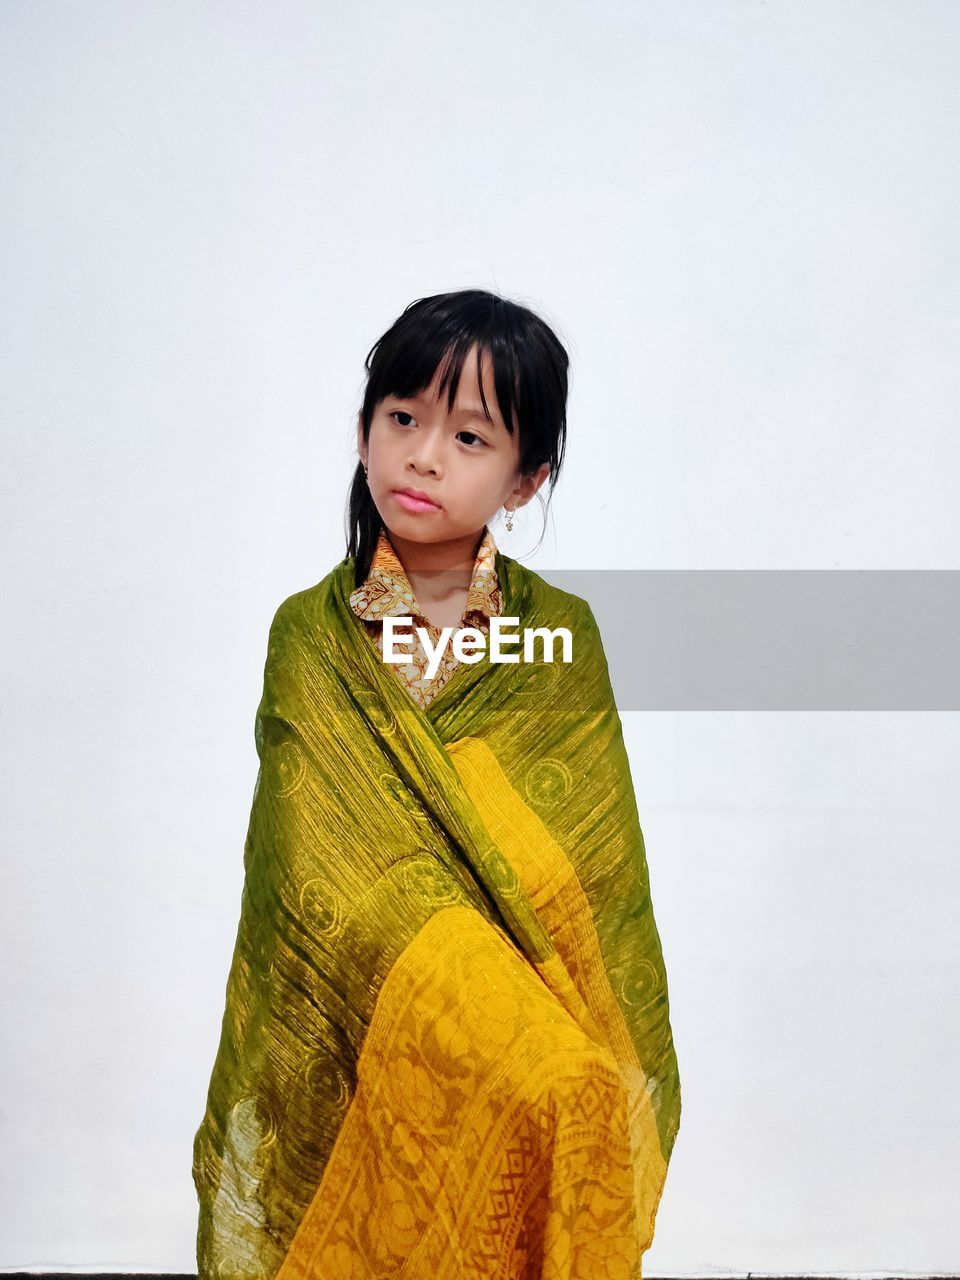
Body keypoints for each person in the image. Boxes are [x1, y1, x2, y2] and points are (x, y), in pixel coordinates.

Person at [192, 288, 682, 1279]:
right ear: (366, 429)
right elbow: (310, 859)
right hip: (365, 987)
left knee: (573, 1090)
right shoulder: (310, 632)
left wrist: (503, 983)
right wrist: (443, 969)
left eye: (469, 435)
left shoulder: (560, 634)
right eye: (402, 417)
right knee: (514, 1076)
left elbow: (588, 863)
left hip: (523, 975)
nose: (422, 454)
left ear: (523, 478)